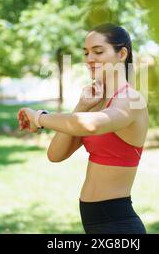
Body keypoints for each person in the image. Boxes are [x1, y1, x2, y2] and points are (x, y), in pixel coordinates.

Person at [18, 23, 148, 234]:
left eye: (98, 51)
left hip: (117, 223)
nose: (89, 59)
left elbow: (89, 125)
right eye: (86, 53)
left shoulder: (131, 100)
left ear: (122, 53)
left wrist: (39, 117)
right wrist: (82, 106)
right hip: (95, 223)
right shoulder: (96, 102)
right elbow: (56, 154)